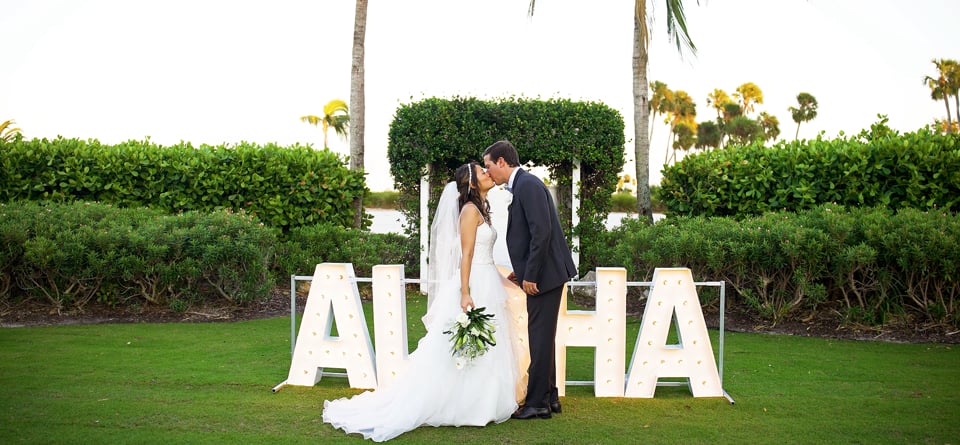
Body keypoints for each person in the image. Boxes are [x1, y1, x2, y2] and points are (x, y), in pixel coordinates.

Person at [322, 162, 523, 442]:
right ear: (472, 184)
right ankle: (463, 405)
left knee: (486, 345)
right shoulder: (469, 211)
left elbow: (484, 259)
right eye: (482, 172)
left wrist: (506, 280)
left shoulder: (482, 210)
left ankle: (483, 403)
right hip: (473, 285)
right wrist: (465, 293)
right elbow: (466, 257)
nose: (488, 174)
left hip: (487, 279)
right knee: (463, 346)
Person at [482, 140, 577, 420]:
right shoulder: (526, 185)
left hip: (544, 276)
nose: (488, 172)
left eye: (488, 165)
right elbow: (532, 234)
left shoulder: (527, 185)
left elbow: (542, 232)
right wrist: (521, 271)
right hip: (541, 273)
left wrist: (531, 275)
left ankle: (537, 403)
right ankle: (549, 396)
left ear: (501, 162)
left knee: (539, 337)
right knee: (543, 337)